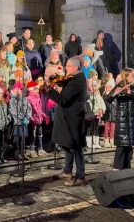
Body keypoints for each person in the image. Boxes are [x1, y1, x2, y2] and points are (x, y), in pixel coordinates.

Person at [48, 58, 88, 186]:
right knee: (67, 144)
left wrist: (49, 89)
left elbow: (63, 99)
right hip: (67, 117)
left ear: (76, 68)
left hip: (73, 118)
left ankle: (81, 176)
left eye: (68, 66)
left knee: (76, 147)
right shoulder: (72, 78)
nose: (66, 68)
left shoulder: (78, 80)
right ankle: (67, 171)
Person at [106, 68, 134, 170]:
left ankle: (127, 167)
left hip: (133, 118)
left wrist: (130, 92)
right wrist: (116, 93)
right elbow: (109, 99)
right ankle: (117, 167)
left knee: (129, 144)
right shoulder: (119, 85)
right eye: (132, 75)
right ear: (126, 77)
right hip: (122, 118)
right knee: (121, 144)